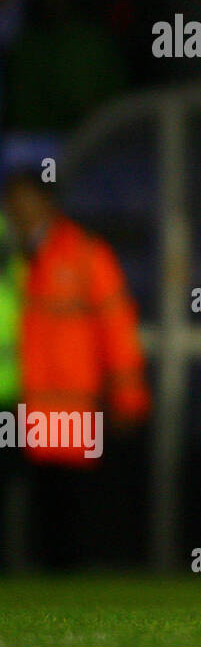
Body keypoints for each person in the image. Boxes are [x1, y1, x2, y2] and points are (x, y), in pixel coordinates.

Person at [2, 170, 150, 568]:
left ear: (46, 205)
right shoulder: (11, 256)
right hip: (17, 399)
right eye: (13, 202)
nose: (18, 211)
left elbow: (117, 329)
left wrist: (128, 398)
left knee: (66, 502)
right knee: (29, 501)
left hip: (66, 402)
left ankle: (67, 576)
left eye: (25, 201)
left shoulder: (83, 255)